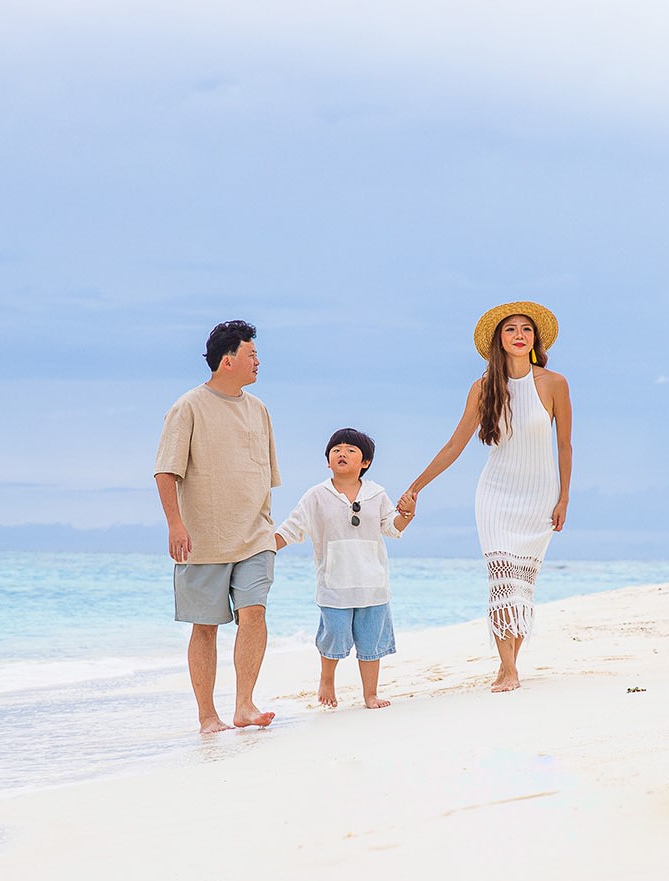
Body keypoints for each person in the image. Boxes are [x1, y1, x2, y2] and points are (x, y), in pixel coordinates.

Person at [399, 301, 572, 692]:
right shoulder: (483, 387)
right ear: (499, 339)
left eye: (526, 330)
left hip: (539, 497)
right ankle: (507, 668)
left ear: (535, 339)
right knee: (501, 580)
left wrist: (563, 499)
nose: (518, 335)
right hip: (495, 494)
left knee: (522, 583)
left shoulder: (554, 384)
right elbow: (454, 445)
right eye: (510, 329)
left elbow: (565, 446)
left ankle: (512, 662)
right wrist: (416, 486)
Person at [154, 320, 281, 733]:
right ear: (228, 361)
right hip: (203, 540)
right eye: (252, 354)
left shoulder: (259, 409)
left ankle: (244, 705)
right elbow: (165, 472)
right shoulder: (187, 407)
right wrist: (175, 524)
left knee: (255, 614)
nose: (258, 361)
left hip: (254, 536)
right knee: (205, 627)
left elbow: (266, 475)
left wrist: (267, 524)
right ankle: (208, 716)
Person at [274, 428, 416, 710]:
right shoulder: (316, 495)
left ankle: (370, 694)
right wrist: (266, 548)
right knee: (334, 637)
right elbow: (293, 527)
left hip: (372, 584)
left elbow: (391, 527)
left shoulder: (377, 494)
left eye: (351, 450)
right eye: (336, 449)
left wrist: (407, 515)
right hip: (334, 585)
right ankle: (327, 679)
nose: (342, 453)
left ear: (365, 462)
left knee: (371, 643)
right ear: (328, 461)